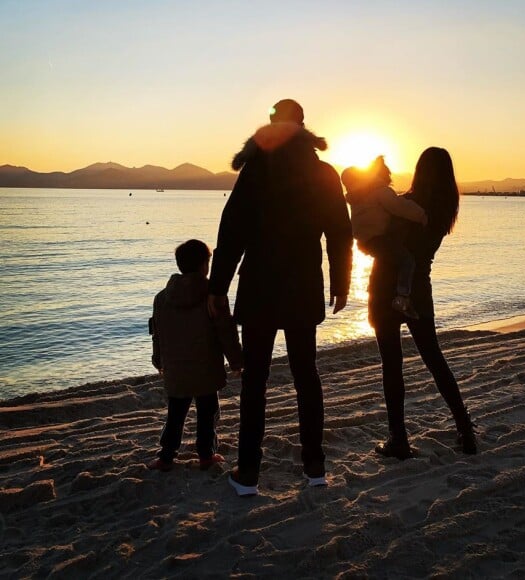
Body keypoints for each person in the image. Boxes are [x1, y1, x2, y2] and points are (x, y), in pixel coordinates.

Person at [208, 98, 353, 496]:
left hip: (260, 286)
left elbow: (231, 232)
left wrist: (217, 287)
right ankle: (315, 469)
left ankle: (249, 474)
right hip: (304, 285)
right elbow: (340, 232)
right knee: (306, 376)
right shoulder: (323, 172)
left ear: (272, 126)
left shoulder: (256, 169)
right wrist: (341, 281)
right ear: (303, 126)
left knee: (256, 379)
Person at [368, 147, 477, 460]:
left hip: (386, 286)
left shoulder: (407, 204)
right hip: (420, 289)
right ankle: (465, 429)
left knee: (392, 363)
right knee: (434, 357)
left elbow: (384, 242)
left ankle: (398, 439)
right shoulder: (444, 209)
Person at [148, 239, 242, 472]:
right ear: (204, 264)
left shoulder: (162, 298)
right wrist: (236, 360)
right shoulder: (213, 296)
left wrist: (158, 359)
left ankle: (166, 456)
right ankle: (206, 455)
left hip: (176, 369)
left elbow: (157, 332)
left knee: (175, 414)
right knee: (207, 414)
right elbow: (225, 331)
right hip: (206, 368)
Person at [341, 155, 427, 319]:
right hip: (378, 239)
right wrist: (421, 215)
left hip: (364, 241)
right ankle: (402, 297)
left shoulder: (357, 196)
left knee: (390, 261)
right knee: (407, 261)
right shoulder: (380, 191)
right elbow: (399, 207)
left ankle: (386, 294)